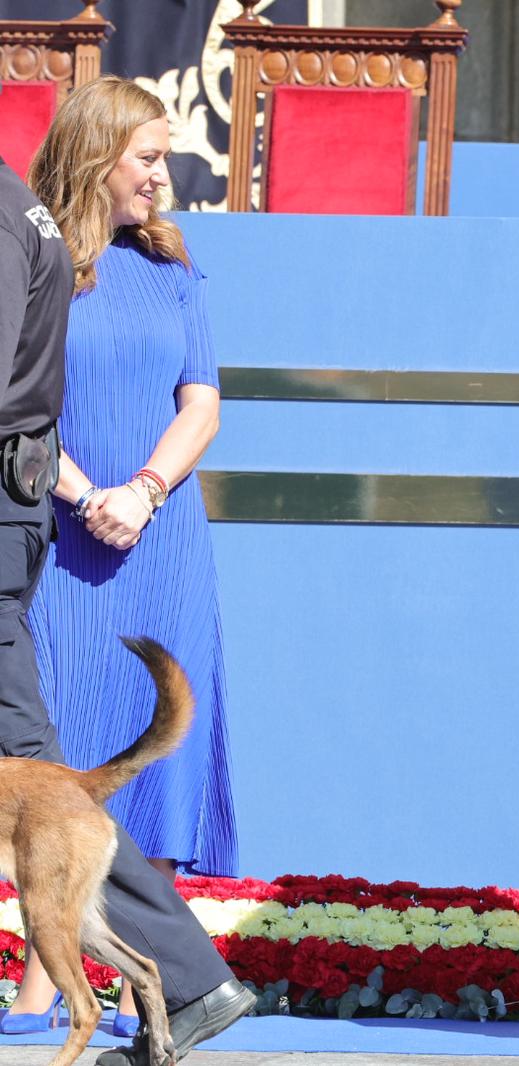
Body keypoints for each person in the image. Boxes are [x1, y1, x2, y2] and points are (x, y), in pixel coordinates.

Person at [0, 83, 252, 1065]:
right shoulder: (39, 256)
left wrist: (142, 492)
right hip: (64, 532)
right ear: (96, 152)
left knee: (135, 752)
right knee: (61, 748)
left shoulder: (174, 266)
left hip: (159, 534)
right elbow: (23, 402)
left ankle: (152, 988)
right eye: (146, 155)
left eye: (164, 155)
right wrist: (84, 493)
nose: (161, 174)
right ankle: (65, 976)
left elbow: (203, 402)